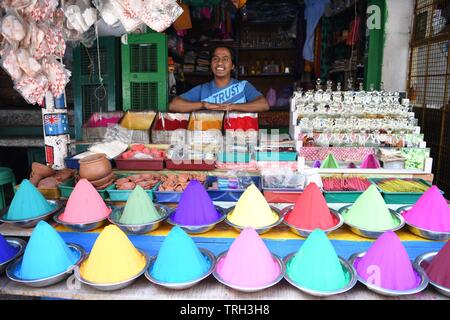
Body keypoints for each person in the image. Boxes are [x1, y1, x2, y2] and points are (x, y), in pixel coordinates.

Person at [169, 46, 270, 113]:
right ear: (211, 64)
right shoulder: (203, 89)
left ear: (233, 66)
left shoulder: (243, 86)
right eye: (215, 59)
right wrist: (203, 105)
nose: (220, 63)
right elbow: (173, 105)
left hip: (238, 139)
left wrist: (231, 107)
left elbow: (264, 105)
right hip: (210, 141)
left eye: (225, 59)